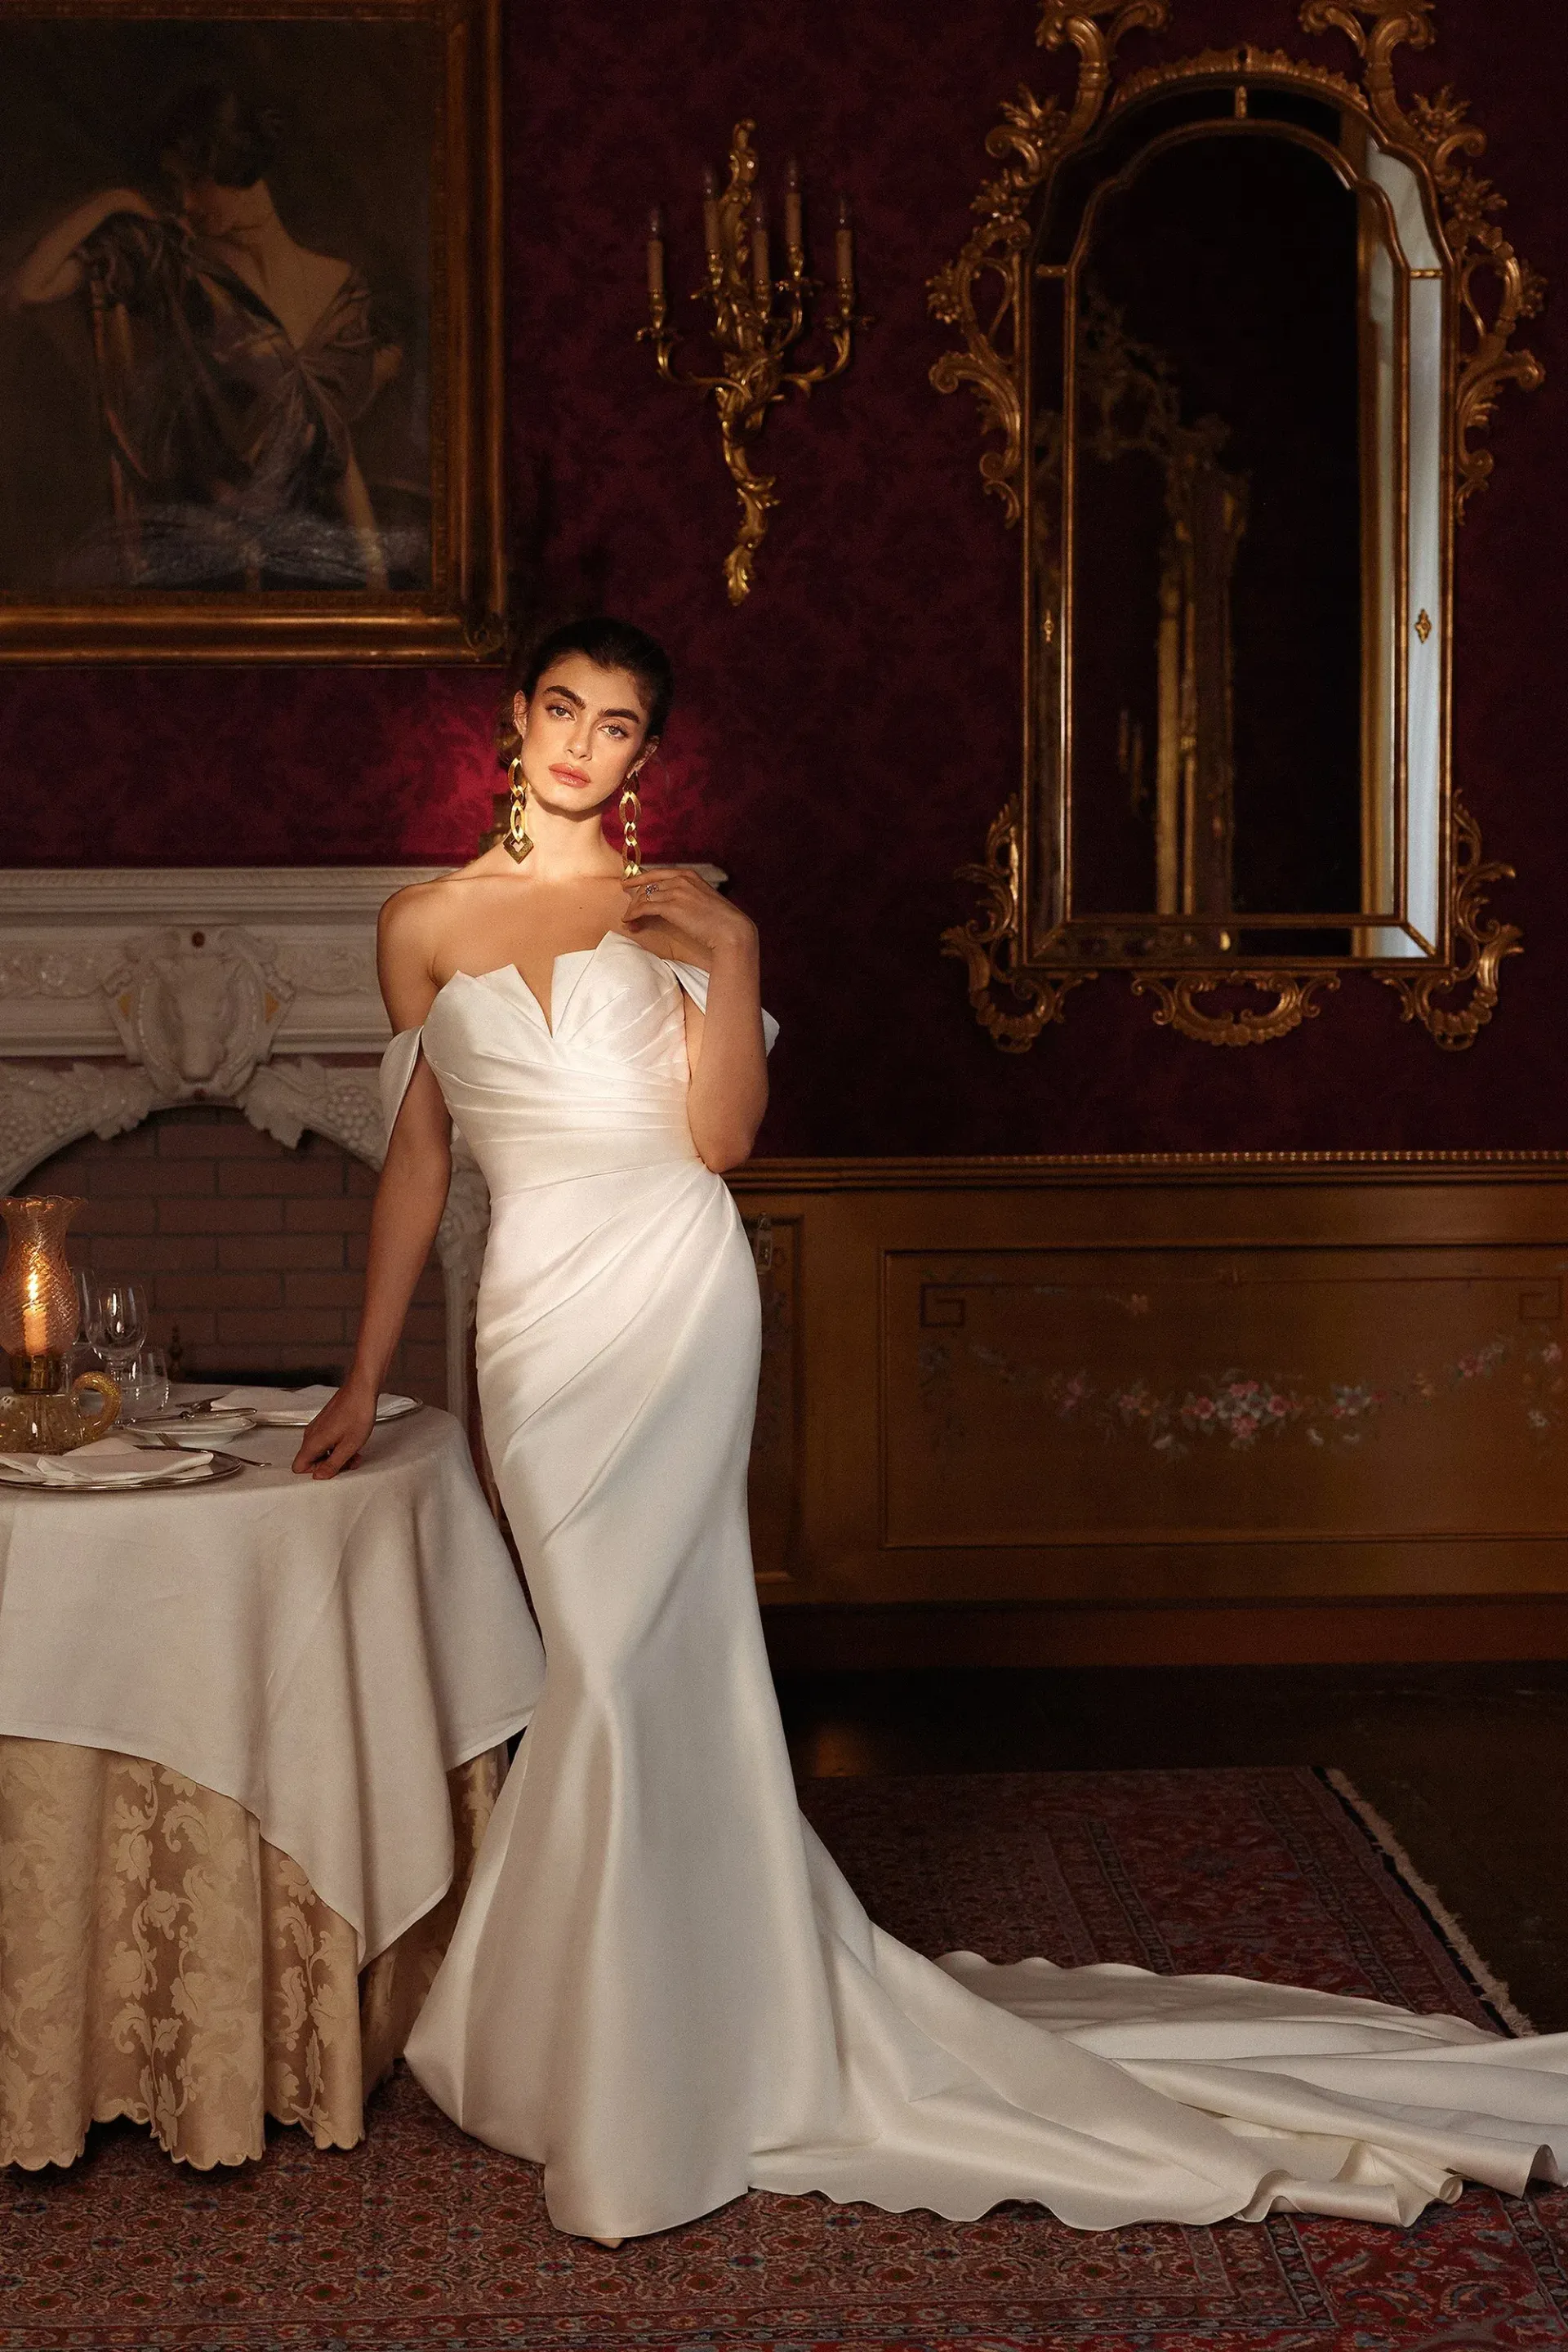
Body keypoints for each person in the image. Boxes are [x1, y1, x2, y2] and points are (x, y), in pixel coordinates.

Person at [295, 615, 1568, 2246]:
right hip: (536, 1315)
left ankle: (637, 2052)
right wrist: (360, 1374)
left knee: (622, 1665)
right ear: (514, 723)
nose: (580, 744)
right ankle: (620, 2014)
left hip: (674, 1294)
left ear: (642, 759)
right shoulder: (418, 924)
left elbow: (724, 1142)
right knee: (603, 1663)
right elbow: (417, 1163)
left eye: (616, 727)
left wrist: (736, 950)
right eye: (561, 709)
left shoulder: (679, 913)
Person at [7, 82, 403, 589]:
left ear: (238, 171)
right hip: (210, 552)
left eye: (196, 182)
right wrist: (114, 201)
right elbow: (29, 288)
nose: (186, 203)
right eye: (178, 186)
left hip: (309, 548)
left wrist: (376, 582)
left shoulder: (342, 291)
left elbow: (334, 450)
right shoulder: (174, 262)